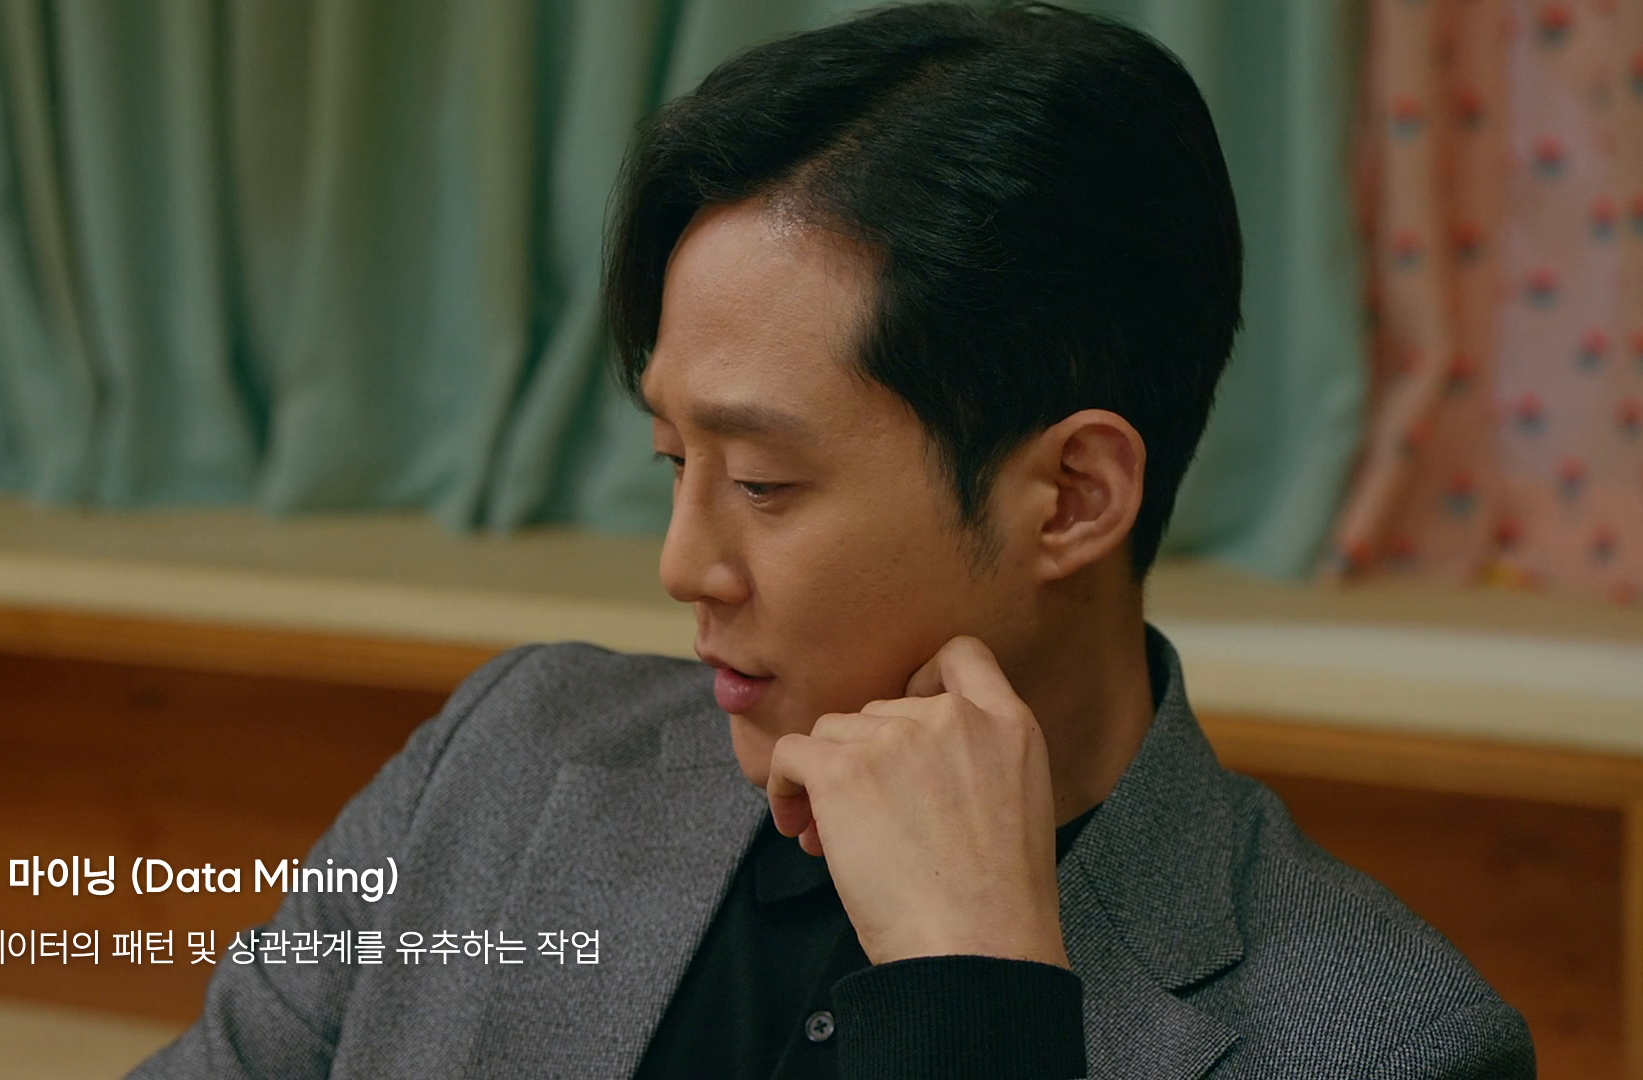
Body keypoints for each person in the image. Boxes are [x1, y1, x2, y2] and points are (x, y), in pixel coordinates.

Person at [133, 3, 1536, 1077]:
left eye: (763, 482)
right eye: (674, 460)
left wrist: (973, 996)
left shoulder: (1384, 1043)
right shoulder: (506, 756)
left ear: (1072, 499)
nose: (682, 566)